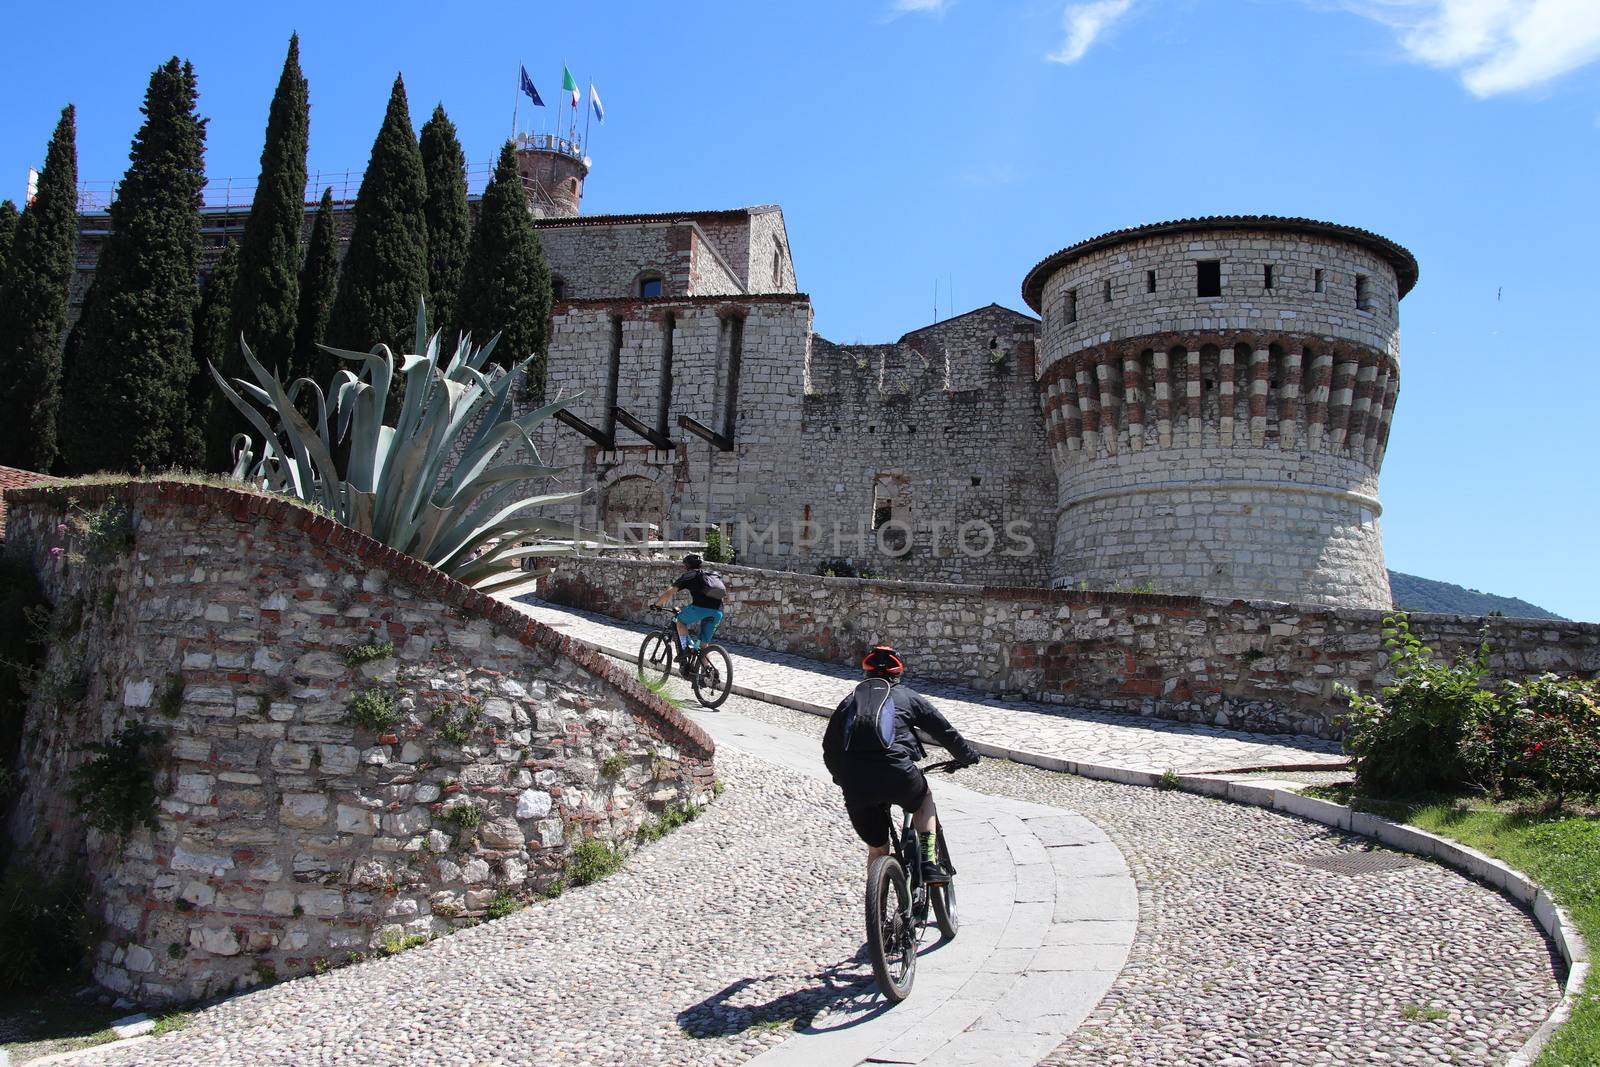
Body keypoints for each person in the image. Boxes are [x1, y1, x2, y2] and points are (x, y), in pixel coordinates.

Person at [822, 645, 980, 885]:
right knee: (924, 798)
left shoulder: (849, 702)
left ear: (866, 674)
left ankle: (878, 908)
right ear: (897, 674)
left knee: (877, 850)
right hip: (898, 773)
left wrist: (841, 778)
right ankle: (928, 861)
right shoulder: (907, 696)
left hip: (856, 784)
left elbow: (830, 749)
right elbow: (943, 731)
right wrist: (967, 756)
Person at [650, 553, 727, 678]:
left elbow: (670, 592)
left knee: (680, 620)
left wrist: (656, 604)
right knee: (703, 646)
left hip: (700, 608)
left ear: (686, 566)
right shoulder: (709, 575)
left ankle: (685, 649)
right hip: (718, 611)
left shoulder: (689, 575)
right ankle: (707, 672)